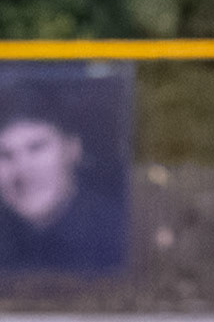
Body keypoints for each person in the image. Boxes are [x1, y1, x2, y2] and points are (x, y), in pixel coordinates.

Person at [0, 90, 126, 272]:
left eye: (36, 148)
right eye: (4, 155)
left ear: (72, 149)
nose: (22, 170)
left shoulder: (119, 234)